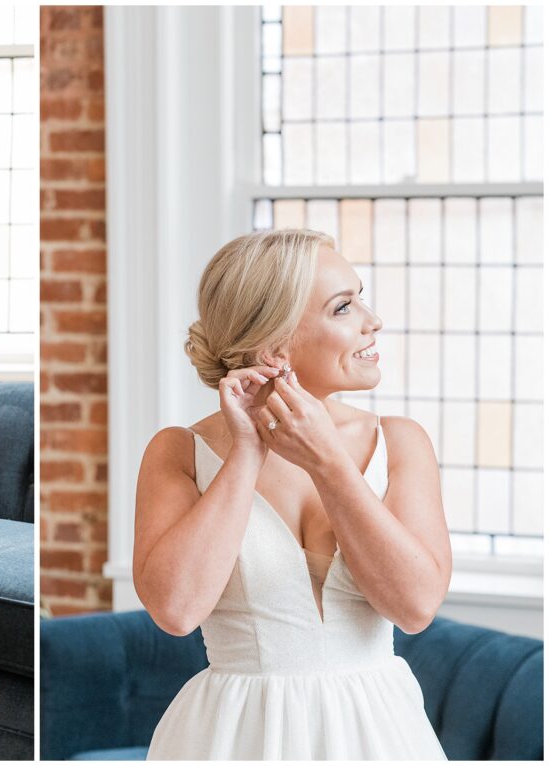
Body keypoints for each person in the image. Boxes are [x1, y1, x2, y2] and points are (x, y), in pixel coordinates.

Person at [134, 228, 451, 759]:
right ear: (275, 346)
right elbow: (177, 611)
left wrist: (327, 462)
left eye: (360, 298)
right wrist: (245, 453)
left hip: (380, 733)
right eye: (344, 307)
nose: (373, 321)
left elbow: (416, 607)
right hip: (233, 738)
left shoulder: (400, 442)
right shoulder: (177, 452)